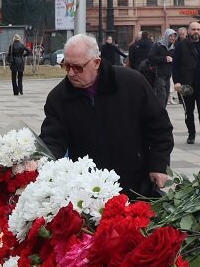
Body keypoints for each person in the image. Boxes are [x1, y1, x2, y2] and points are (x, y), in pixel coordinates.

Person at [39, 33, 174, 197]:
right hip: (87, 190)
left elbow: (159, 127)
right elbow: (52, 140)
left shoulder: (132, 83)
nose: (71, 73)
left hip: (135, 184)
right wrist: (42, 166)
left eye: (78, 67)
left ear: (96, 62)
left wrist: (159, 164)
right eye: (66, 66)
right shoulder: (59, 97)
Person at [149, 28, 176, 106]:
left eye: (174, 36)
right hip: (159, 74)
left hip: (168, 75)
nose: (172, 38)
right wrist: (164, 59)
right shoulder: (158, 45)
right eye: (170, 36)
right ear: (166, 36)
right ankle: (160, 114)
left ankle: (161, 113)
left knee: (166, 96)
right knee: (161, 96)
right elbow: (151, 57)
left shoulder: (173, 47)